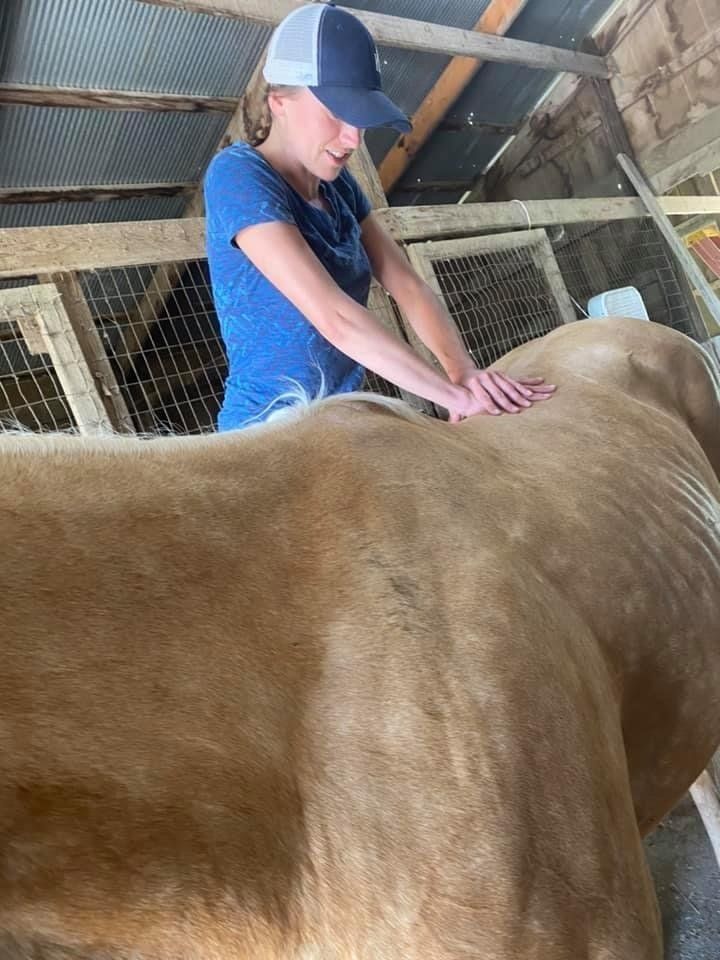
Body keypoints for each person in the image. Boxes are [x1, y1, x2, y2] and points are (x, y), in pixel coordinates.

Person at [203, 1, 555, 430]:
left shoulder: (339, 186)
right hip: (267, 431)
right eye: (335, 114)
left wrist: (462, 371)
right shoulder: (238, 174)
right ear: (280, 102)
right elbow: (335, 319)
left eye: (360, 119)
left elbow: (407, 285)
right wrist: (455, 398)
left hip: (341, 417)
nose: (352, 137)